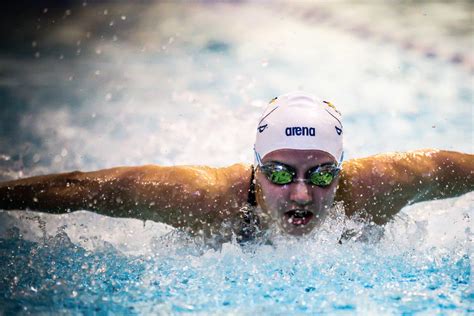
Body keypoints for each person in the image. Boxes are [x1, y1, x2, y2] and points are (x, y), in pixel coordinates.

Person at [0, 92, 473, 243]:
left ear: (342, 167)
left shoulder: (380, 187)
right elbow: (82, 188)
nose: (302, 195)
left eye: (323, 174)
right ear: (255, 166)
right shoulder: (205, 199)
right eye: (281, 173)